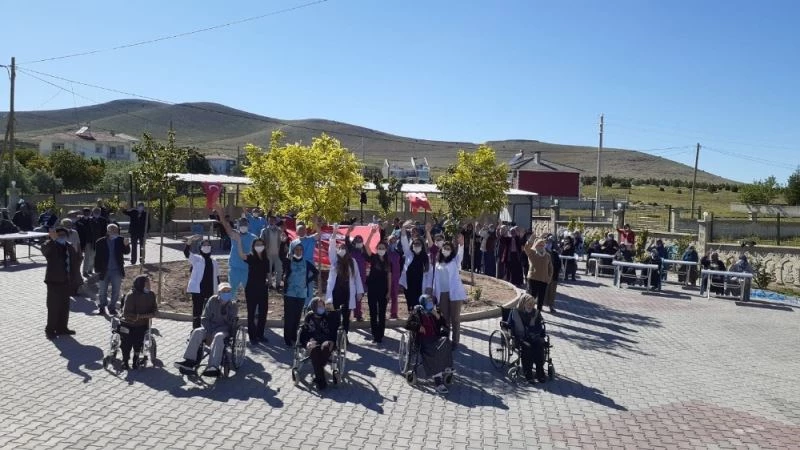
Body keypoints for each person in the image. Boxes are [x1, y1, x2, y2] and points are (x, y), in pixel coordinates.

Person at [176, 282, 239, 377]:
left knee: (218, 336)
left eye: (228, 291)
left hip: (223, 329)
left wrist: (226, 311)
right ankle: (189, 361)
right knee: (197, 332)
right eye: (224, 291)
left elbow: (231, 323)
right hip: (210, 327)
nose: (226, 293)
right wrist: (209, 332)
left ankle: (213, 366)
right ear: (219, 292)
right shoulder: (212, 300)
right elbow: (205, 318)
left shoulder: (233, 305)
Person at [404, 295, 453, 394]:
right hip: (424, 340)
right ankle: (438, 381)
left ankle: (447, 367)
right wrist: (418, 327)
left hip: (435, 338)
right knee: (434, 351)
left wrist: (438, 316)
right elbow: (408, 324)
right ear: (423, 303)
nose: (430, 303)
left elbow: (445, 324)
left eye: (431, 301)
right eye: (428, 301)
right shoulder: (417, 312)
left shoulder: (435, 311)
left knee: (445, 341)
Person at [42, 227, 82, 339]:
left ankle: (62, 328)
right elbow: (45, 251)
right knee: (53, 307)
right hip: (54, 281)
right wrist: (52, 240)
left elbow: (74, 263)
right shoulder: (49, 244)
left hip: (66, 281)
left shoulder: (69, 246)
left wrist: (75, 279)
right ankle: (50, 330)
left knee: (64, 306)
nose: (61, 236)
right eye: (59, 235)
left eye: (63, 235)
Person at [326, 224, 364, 333]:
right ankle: (334, 336)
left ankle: (345, 336)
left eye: (344, 248)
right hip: (336, 292)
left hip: (348, 292)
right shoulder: (334, 260)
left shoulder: (352, 262)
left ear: (347, 250)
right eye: (340, 248)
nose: (342, 249)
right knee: (335, 315)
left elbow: (357, 277)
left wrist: (359, 292)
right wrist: (334, 232)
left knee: (346, 316)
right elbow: (331, 247)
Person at [430, 235, 467, 349]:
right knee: (445, 319)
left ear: (451, 251)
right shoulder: (438, 262)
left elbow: (460, 254)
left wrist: (461, 244)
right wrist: (433, 293)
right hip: (442, 294)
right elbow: (435, 280)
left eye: (448, 249)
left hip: (454, 294)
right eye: (444, 248)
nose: (446, 250)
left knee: (455, 319)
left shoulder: (455, 261)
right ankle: (445, 340)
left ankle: (455, 342)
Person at [233, 233, 270, 345]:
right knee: (251, 313)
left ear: (264, 246)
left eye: (261, 244)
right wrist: (239, 241)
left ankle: (260, 334)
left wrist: (269, 280)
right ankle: (252, 336)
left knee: (263, 312)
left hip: (263, 289)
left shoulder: (266, 259)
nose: (259, 246)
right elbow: (241, 255)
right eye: (257, 244)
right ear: (253, 246)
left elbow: (268, 273)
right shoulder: (250, 257)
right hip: (251, 289)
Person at [299, 298, 341, 390]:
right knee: (314, 350)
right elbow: (304, 332)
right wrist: (307, 342)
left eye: (323, 306)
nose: (321, 308)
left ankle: (319, 378)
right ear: (314, 307)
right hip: (313, 340)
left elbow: (334, 328)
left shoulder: (327, 316)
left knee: (325, 348)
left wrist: (332, 340)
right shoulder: (309, 317)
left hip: (327, 340)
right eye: (319, 306)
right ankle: (321, 381)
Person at [118, 275, 158, 370]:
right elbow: (126, 314)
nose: (149, 285)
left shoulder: (151, 295)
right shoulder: (131, 296)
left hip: (142, 324)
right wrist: (143, 316)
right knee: (126, 343)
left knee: (138, 341)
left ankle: (136, 359)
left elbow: (155, 311)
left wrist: (147, 315)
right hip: (128, 324)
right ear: (141, 284)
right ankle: (125, 360)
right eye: (147, 283)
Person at [284, 240, 319, 346]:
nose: (298, 251)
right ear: (293, 250)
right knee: (289, 317)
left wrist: (307, 281)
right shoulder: (288, 262)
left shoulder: (306, 263)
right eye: (296, 249)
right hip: (290, 293)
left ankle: (294, 337)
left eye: (300, 250)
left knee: (297, 316)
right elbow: (283, 274)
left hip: (301, 294)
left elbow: (316, 272)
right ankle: (287, 339)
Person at [508, 294, 547, 383]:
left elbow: (539, 327)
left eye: (532, 303)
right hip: (520, 338)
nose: (531, 305)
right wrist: (514, 335)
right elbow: (510, 325)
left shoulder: (536, 313)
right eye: (528, 303)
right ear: (523, 303)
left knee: (539, 345)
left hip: (533, 336)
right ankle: (528, 373)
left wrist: (533, 330)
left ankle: (540, 372)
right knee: (528, 347)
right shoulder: (515, 312)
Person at [94, 224, 131, 315]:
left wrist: (126, 245)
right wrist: (97, 269)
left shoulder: (121, 240)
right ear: (108, 231)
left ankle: (112, 307)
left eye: (116, 230)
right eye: (112, 230)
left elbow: (126, 252)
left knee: (116, 291)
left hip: (116, 270)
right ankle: (102, 307)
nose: (114, 232)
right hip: (104, 270)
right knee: (102, 291)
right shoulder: (100, 241)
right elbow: (97, 257)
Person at [184, 235, 220, 329]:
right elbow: (187, 253)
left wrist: (219, 290)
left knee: (208, 312)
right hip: (198, 291)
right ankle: (196, 331)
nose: (206, 247)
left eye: (208, 245)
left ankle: (206, 331)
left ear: (211, 247)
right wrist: (189, 243)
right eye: (204, 245)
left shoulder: (214, 262)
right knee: (197, 312)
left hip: (210, 291)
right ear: (200, 247)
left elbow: (217, 277)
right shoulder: (196, 259)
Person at [364, 226, 391, 343]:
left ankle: (380, 335)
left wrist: (389, 291)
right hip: (372, 289)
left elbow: (389, 277)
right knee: (373, 312)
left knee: (382, 313)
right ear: (377, 248)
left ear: (386, 249)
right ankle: (375, 335)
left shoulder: (388, 262)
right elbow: (366, 246)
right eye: (379, 248)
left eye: (383, 248)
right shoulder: (373, 258)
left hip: (383, 290)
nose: (381, 249)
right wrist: (371, 234)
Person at [399, 225, 432, 312]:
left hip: (420, 285)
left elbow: (428, 273)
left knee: (419, 305)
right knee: (410, 305)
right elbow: (404, 241)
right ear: (412, 245)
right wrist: (403, 229)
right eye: (415, 244)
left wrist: (428, 287)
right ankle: (412, 318)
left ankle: (419, 319)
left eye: (418, 244)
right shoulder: (409, 254)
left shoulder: (425, 257)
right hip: (409, 285)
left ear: (422, 245)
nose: (416, 246)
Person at [226, 217, 258, 297]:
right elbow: (226, 226)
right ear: (237, 225)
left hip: (247, 269)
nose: (243, 226)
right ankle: (231, 303)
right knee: (232, 289)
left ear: (248, 225)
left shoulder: (254, 237)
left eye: (245, 224)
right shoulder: (234, 234)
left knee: (250, 290)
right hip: (234, 267)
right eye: (241, 224)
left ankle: (252, 304)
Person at [292, 221, 321, 305]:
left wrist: (315, 222)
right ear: (296, 232)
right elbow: (291, 255)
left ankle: (308, 305)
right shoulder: (293, 242)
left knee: (309, 284)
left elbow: (319, 234)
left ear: (305, 231)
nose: (301, 232)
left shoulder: (311, 239)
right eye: (299, 230)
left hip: (309, 265)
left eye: (303, 230)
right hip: (298, 266)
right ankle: (299, 303)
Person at [345, 226, 368, 322]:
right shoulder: (351, 249)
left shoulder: (364, 251)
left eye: (360, 241)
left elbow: (369, 258)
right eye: (357, 241)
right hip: (351, 276)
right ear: (354, 242)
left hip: (361, 277)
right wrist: (348, 232)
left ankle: (358, 314)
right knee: (350, 295)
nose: (359, 242)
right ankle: (347, 315)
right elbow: (346, 241)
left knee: (359, 296)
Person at [524, 238, 553, 311]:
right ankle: (529, 310)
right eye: (539, 245)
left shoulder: (547, 255)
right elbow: (526, 247)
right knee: (531, 296)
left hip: (544, 279)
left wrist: (549, 278)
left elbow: (550, 268)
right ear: (536, 246)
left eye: (543, 245)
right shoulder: (532, 253)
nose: (541, 247)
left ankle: (538, 312)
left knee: (541, 297)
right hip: (533, 278)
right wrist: (531, 239)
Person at [261, 215, 284, 292]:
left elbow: (283, 240)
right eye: (270, 220)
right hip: (268, 254)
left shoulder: (279, 230)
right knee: (269, 270)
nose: (271, 222)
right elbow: (261, 241)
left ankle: (278, 285)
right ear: (268, 221)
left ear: (275, 221)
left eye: (273, 220)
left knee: (279, 270)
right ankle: (270, 284)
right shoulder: (264, 231)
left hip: (277, 254)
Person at [543, 236, 562, 313]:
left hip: (553, 275)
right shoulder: (542, 252)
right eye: (548, 241)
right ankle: (540, 306)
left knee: (552, 291)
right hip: (544, 275)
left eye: (551, 242)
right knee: (543, 291)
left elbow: (558, 264)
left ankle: (551, 306)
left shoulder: (555, 253)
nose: (549, 243)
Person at [386, 234, 403, 319]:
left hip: (396, 276)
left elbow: (401, 264)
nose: (393, 243)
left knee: (395, 295)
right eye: (391, 241)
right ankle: (382, 312)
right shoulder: (386, 253)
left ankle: (394, 313)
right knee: (385, 294)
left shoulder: (398, 252)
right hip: (387, 276)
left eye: (394, 241)